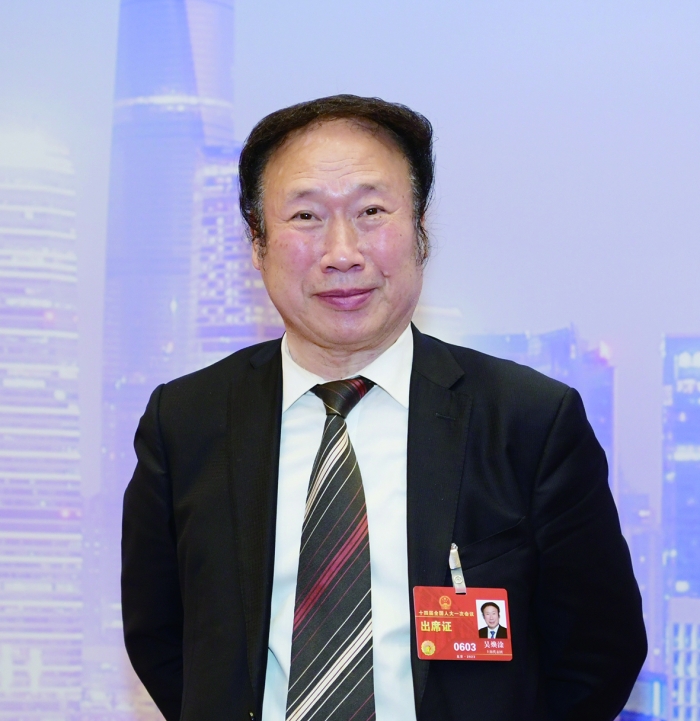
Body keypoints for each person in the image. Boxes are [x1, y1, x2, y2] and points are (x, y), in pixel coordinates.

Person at [121, 94, 647, 721]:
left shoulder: (530, 422)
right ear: (257, 244)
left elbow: (598, 653)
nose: (342, 252)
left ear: (420, 231)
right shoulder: (186, 422)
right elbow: (162, 639)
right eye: (306, 216)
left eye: (371, 211)